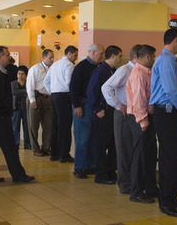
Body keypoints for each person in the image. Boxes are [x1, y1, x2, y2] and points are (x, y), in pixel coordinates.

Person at [0, 46, 35, 184]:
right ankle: (18, 175)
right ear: (0, 57)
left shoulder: (0, 72)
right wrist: (3, 111)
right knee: (9, 145)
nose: (10, 57)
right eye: (7, 55)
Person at [150, 28, 177, 217]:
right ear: (175, 40)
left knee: (174, 156)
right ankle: (165, 201)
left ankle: (171, 196)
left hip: (168, 112)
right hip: (167, 112)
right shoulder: (165, 60)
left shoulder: (167, 59)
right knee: (170, 157)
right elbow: (171, 90)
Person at [102, 44, 140, 194]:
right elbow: (106, 88)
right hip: (123, 114)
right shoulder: (125, 70)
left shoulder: (138, 71)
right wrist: (119, 105)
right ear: (136, 57)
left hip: (133, 114)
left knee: (132, 150)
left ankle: (133, 182)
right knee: (124, 150)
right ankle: (125, 184)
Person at [126, 44, 159, 204]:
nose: (154, 59)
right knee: (140, 156)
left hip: (146, 118)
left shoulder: (147, 73)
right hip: (140, 119)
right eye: (153, 56)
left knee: (149, 155)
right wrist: (143, 120)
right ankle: (136, 192)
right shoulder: (139, 74)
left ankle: (150, 187)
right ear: (147, 57)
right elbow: (139, 100)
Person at [87, 45, 122, 185]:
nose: (120, 59)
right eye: (119, 56)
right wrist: (96, 109)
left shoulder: (112, 71)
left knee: (112, 143)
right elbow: (91, 91)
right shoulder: (100, 71)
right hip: (102, 111)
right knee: (101, 144)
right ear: (112, 56)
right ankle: (101, 174)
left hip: (112, 111)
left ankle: (110, 171)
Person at [71, 43, 104, 179]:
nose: (102, 56)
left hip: (94, 104)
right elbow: (73, 87)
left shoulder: (98, 67)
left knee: (92, 137)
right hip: (83, 104)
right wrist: (77, 105)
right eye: (101, 53)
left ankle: (91, 165)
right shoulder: (81, 67)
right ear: (94, 52)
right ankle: (79, 167)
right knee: (82, 138)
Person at [44, 45, 78, 162]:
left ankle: (54, 153)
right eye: (75, 55)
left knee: (55, 125)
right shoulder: (69, 65)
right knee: (65, 126)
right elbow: (69, 83)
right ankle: (64, 155)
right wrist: (73, 98)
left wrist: (52, 91)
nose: (76, 58)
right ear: (69, 54)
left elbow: (46, 80)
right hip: (64, 97)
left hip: (54, 96)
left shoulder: (55, 64)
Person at [26, 49, 55, 157]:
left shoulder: (52, 69)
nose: (52, 60)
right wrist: (32, 100)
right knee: (33, 125)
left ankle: (46, 147)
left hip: (48, 98)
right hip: (36, 97)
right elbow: (30, 85)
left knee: (48, 125)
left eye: (53, 57)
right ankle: (35, 148)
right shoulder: (35, 68)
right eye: (50, 57)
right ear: (44, 57)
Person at [12, 65, 31, 149]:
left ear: (26, 75)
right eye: (19, 73)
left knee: (26, 126)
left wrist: (22, 92)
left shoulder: (28, 83)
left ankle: (27, 144)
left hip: (26, 107)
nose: (20, 75)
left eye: (22, 74)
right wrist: (25, 92)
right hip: (16, 107)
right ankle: (16, 143)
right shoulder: (13, 83)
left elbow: (30, 91)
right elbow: (14, 92)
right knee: (15, 126)